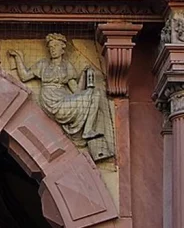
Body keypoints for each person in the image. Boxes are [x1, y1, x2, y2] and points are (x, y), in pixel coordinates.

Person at [8, 33, 114, 161]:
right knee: (93, 95)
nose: (52, 49)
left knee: (96, 94)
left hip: (65, 100)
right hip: (51, 101)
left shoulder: (67, 66)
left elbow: (76, 91)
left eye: (55, 46)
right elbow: (25, 76)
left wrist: (84, 76)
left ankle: (88, 130)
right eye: (50, 47)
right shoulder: (43, 64)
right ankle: (87, 130)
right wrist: (18, 57)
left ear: (62, 48)